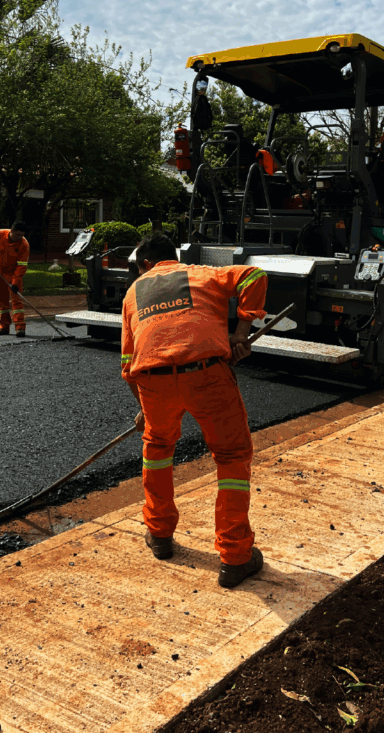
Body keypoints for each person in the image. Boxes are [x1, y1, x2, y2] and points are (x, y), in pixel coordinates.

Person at [120, 231, 268, 588]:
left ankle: (159, 536)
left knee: (157, 450)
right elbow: (255, 275)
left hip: (152, 380)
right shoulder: (202, 274)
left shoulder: (133, 293)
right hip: (206, 374)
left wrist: (144, 406)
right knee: (232, 457)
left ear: (144, 264)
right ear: (176, 257)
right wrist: (240, 331)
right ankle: (235, 557)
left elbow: (127, 363)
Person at [0, 222, 30, 337]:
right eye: (18, 235)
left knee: (17, 302)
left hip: (13, 275)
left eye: (22, 235)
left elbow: (21, 266)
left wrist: (15, 283)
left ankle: (20, 327)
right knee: (2, 302)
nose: (20, 238)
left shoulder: (24, 245)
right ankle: (4, 327)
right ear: (11, 231)